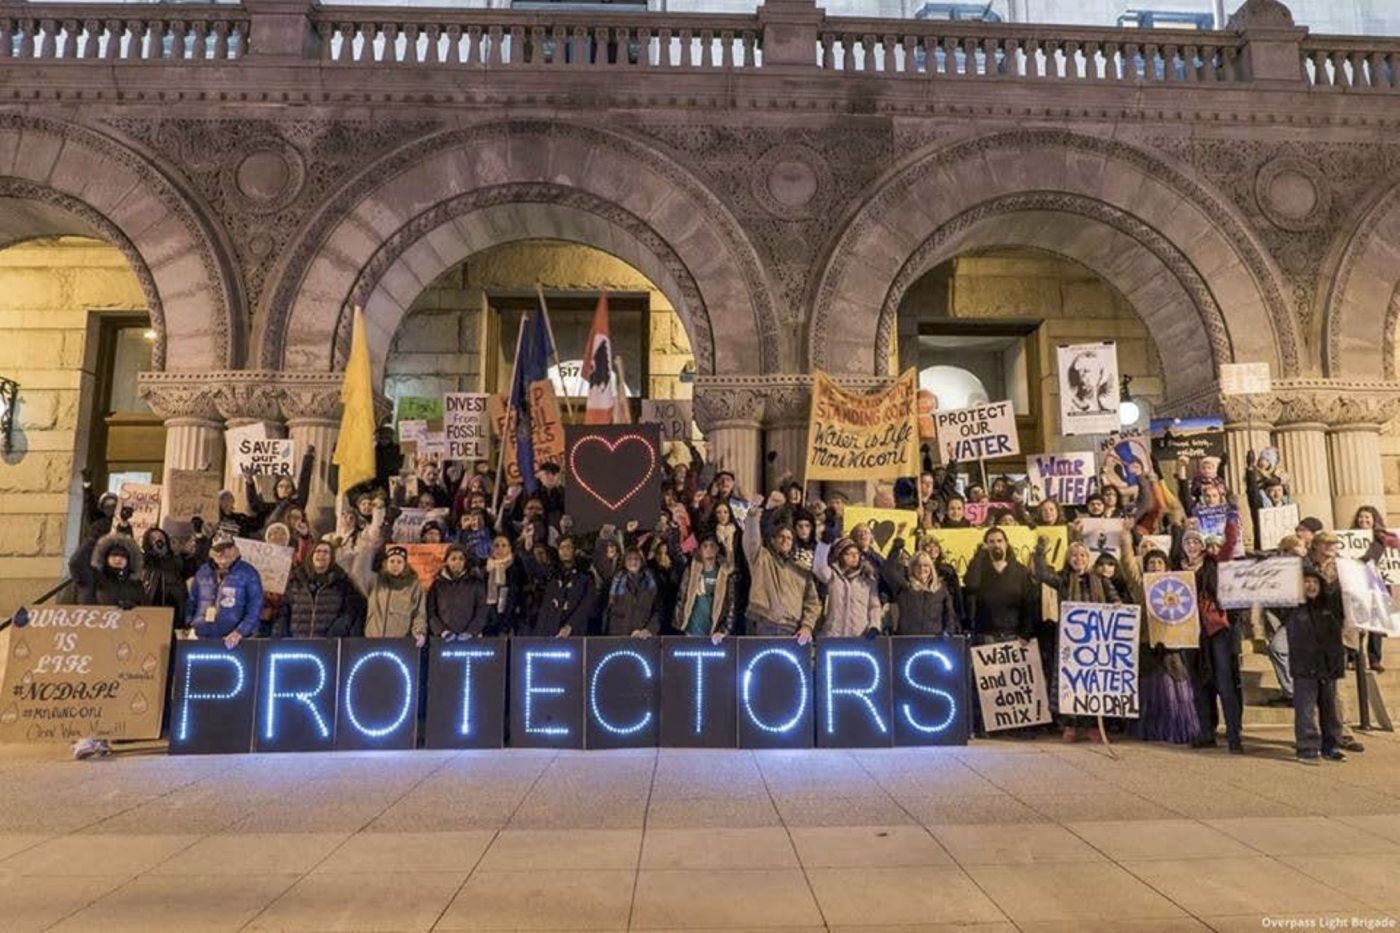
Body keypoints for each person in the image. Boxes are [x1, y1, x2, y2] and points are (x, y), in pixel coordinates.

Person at [1288, 568, 1347, 764]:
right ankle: (1307, 748)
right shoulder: (1292, 608)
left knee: (1330, 710)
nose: (1311, 586)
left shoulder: (1331, 606)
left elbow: (1343, 586)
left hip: (1328, 666)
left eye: (1315, 582)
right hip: (1304, 666)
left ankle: (1331, 746)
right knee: (1305, 710)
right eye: (1306, 582)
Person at [742, 496, 821, 642]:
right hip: (763, 625)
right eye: (781, 537)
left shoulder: (801, 570)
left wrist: (807, 626)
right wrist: (752, 517)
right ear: (772, 539)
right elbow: (751, 541)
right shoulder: (761, 558)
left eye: (789, 538)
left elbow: (813, 602)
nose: (785, 540)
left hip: (792, 629)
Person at [187, 535, 263, 647]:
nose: (223, 553)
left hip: (232, 637)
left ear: (234, 550)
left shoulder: (248, 573)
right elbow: (192, 599)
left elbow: (255, 605)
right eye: (219, 550)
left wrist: (241, 631)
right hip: (201, 633)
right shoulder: (203, 571)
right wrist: (190, 624)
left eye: (227, 549)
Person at [963, 527, 1035, 644]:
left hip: (1014, 635)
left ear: (1006, 544)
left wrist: (1025, 634)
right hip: (986, 635)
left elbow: (1028, 604)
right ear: (986, 545)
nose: (996, 545)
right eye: (991, 542)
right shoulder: (979, 569)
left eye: (999, 541)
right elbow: (971, 585)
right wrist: (979, 554)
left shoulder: (1020, 571)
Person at [352, 537, 428, 645]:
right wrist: (367, 548)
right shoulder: (375, 581)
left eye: (399, 562)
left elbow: (419, 613)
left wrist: (419, 632)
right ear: (386, 563)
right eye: (392, 561)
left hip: (399, 642)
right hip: (373, 639)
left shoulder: (414, 586)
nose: (395, 565)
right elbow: (358, 573)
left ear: (404, 565)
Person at [277, 540, 359, 638]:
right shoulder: (296, 580)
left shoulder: (342, 583)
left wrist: (336, 632)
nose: (321, 555)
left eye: (326, 552)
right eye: (318, 551)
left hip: (327, 643)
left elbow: (349, 612)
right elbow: (284, 611)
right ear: (311, 555)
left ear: (331, 558)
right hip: (297, 643)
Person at [882, 539, 960, 636]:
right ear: (912, 568)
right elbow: (889, 571)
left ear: (931, 568)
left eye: (925, 566)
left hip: (935, 640)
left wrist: (948, 631)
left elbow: (949, 614)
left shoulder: (941, 588)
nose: (922, 569)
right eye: (918, 566)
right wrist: (896, 549)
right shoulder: (905, 587)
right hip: (909, 639)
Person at [812, 537, 882, 638]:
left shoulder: (867, 580)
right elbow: (819, 567)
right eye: (848, 553)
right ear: (839, 556)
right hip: (833, 635)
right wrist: (825, 542)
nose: (854, 556)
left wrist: (874, 626)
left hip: (859, 636)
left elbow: (874, 606)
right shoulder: (833, 576)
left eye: (856, 553)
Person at [533, 536, 597, 638]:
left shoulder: (585, 577)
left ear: (574, 550)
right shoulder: (552, 576)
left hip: (575, 633)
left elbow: (586, 605)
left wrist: (570, 625)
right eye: (561, 548)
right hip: (551, 632)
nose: (564, 551)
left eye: (568, 547)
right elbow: (546, 606)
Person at [676, 535, 736, 643]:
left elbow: (731, 605)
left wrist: (724, 630)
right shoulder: (690, 570)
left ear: (717, 549)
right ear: (699, 550)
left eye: (712, 546)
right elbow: (682, 597)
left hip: (714, 632)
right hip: (690, 629)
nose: (709, 550)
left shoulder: (725, 573)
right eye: (705, 546)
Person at [245, 445, 316, 531]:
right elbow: (254, 505)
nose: (284, 489)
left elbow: (304, 481)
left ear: (293, 490)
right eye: (281, 486)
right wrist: (249, 482)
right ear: (276, 490)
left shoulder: (297, 504)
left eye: (288, 486)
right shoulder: (270, 508)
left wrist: (308, 457)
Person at [427, 544, 487, 639]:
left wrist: (471, 632)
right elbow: (431, 612)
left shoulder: (475, 583)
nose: (457, 562)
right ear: (446, 561)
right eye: (453, 559)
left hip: (471, 638)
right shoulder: (437, 585)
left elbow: (481, 611)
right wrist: (442, 631)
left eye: (461, 559)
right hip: (443, 638)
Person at [80, 531, 146, 609]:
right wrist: (91, 539)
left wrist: (133, 607)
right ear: (105, 558)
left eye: (123, 556)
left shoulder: (136, 584)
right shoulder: (95, 579)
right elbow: (75, 564)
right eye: (114, 555)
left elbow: (147, 610)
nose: (118, 559)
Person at [604, 547, 660, 638]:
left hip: (644, 636)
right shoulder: (615, 581)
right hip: (619, 636)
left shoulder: (651, 582)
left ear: (642, 561)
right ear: (624, 561)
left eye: (636, 559)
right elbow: (610, 611)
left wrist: (649, 630)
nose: (633, 562)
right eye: (629, 559)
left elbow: (658, 610)